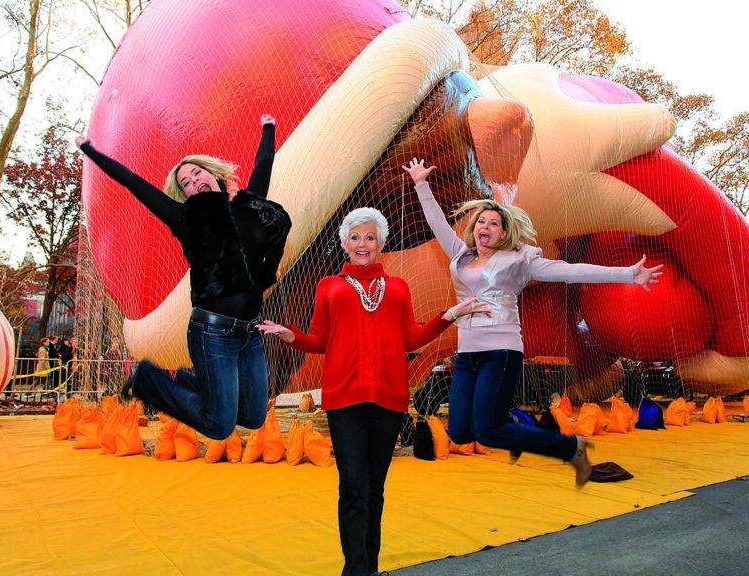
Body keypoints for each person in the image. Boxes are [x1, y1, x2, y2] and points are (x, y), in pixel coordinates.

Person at [404, 158, 663, 486]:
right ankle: (513, 426)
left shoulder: (519, 261)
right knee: (460, 430)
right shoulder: (460, 256)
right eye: (481, 221)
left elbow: (571, 272)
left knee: (488, 431)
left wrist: (627, 274)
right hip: (467, 356)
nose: (485, 227)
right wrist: (421, 184)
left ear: (504, 233)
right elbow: (438, 224)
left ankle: (572, 449)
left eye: (494, 224)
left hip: (500, 352)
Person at [257, 208, 486, 576]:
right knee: (352, 486)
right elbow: (319, 341)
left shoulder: (397, 287)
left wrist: (451, 314)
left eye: (370, 237)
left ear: (381, 243)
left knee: (374, 488)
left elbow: (411, 338)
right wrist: (290, 336)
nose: (363, 244)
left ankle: (370, 566)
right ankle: (356, 569)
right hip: (344, 398)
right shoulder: (328, 286)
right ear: (345, 243)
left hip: (389, 397)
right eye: (356, 237)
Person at [76, 115, 291, 439]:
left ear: (212, 173)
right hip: (212, 330)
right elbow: (134, 183)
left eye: (195, 174)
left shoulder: (250, 206)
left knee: (253, 416)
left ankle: (194, 381)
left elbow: (264, 163)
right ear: (185, 195)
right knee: (219, 427)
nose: (193, 182)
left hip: (249, 332)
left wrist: (268, 127)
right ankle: (148, 380)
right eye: (185, 183)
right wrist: (90, 152)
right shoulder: (185, 219)